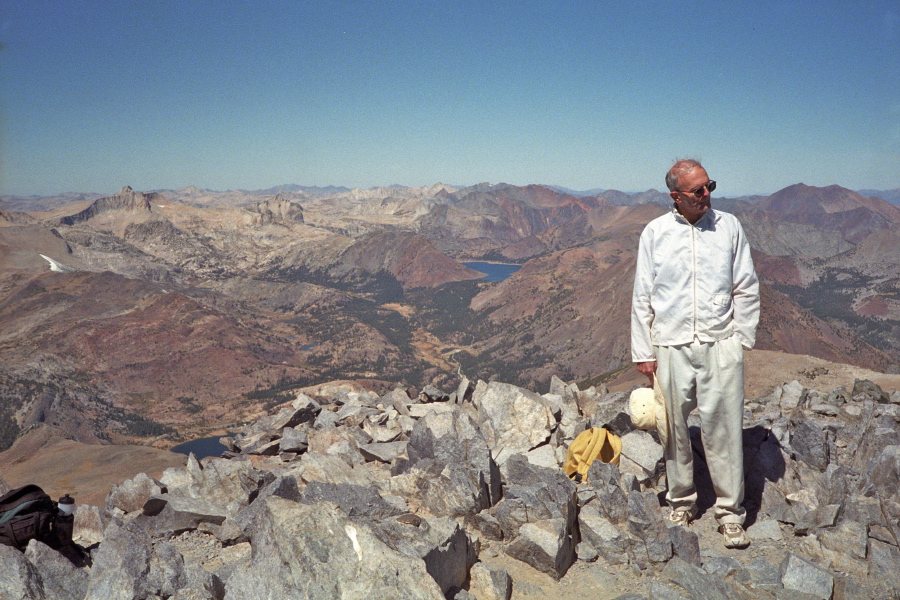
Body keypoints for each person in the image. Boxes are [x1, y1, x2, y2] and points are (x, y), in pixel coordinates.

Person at [630, 159, 760, 548]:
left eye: (710, 186)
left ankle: (729, 512)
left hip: (720, 344)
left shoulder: (729, 226)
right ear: (676, 196)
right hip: (669, 345)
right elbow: (642, 295)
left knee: (723, 428)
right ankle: (682, 500)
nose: (708, 195)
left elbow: (746, 285)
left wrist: (740, 339)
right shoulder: (654, 233)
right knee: (674, 429)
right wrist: (643, 350)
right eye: (698, 190)